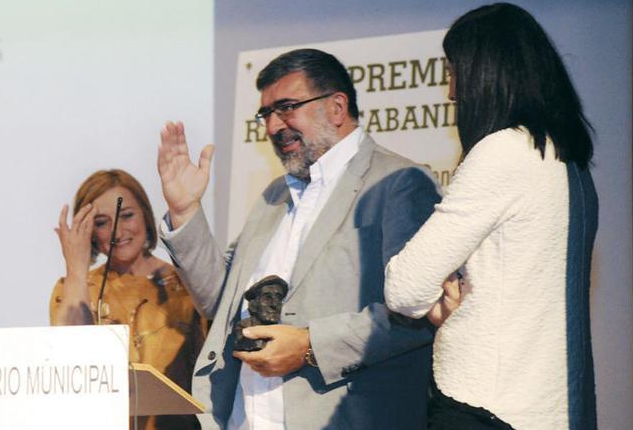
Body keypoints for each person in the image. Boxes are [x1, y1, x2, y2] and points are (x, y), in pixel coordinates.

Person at [156, 48, 441, 429]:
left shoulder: (398, 183)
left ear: (337, 107)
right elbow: (217, 303)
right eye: (266, 114)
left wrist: (309, 346)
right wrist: (185, 211)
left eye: (286, 108)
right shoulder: (273, 197)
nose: (273, 126)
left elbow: (418, 314)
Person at [384, 3, 598, 430]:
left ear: (486, 74)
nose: (451, 92)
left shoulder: (503, 151)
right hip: (549, 408)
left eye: (454, 72)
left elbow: (404, 287)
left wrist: (435, 303)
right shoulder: (569, 162)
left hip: (486, 406)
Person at [50, 169, 206, 430]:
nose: (117, 231)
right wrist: (76, 270)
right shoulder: (72, 288)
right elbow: (68, 366)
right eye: (101, 222)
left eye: (127, 216)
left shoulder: (187, 286)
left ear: (145, 214)